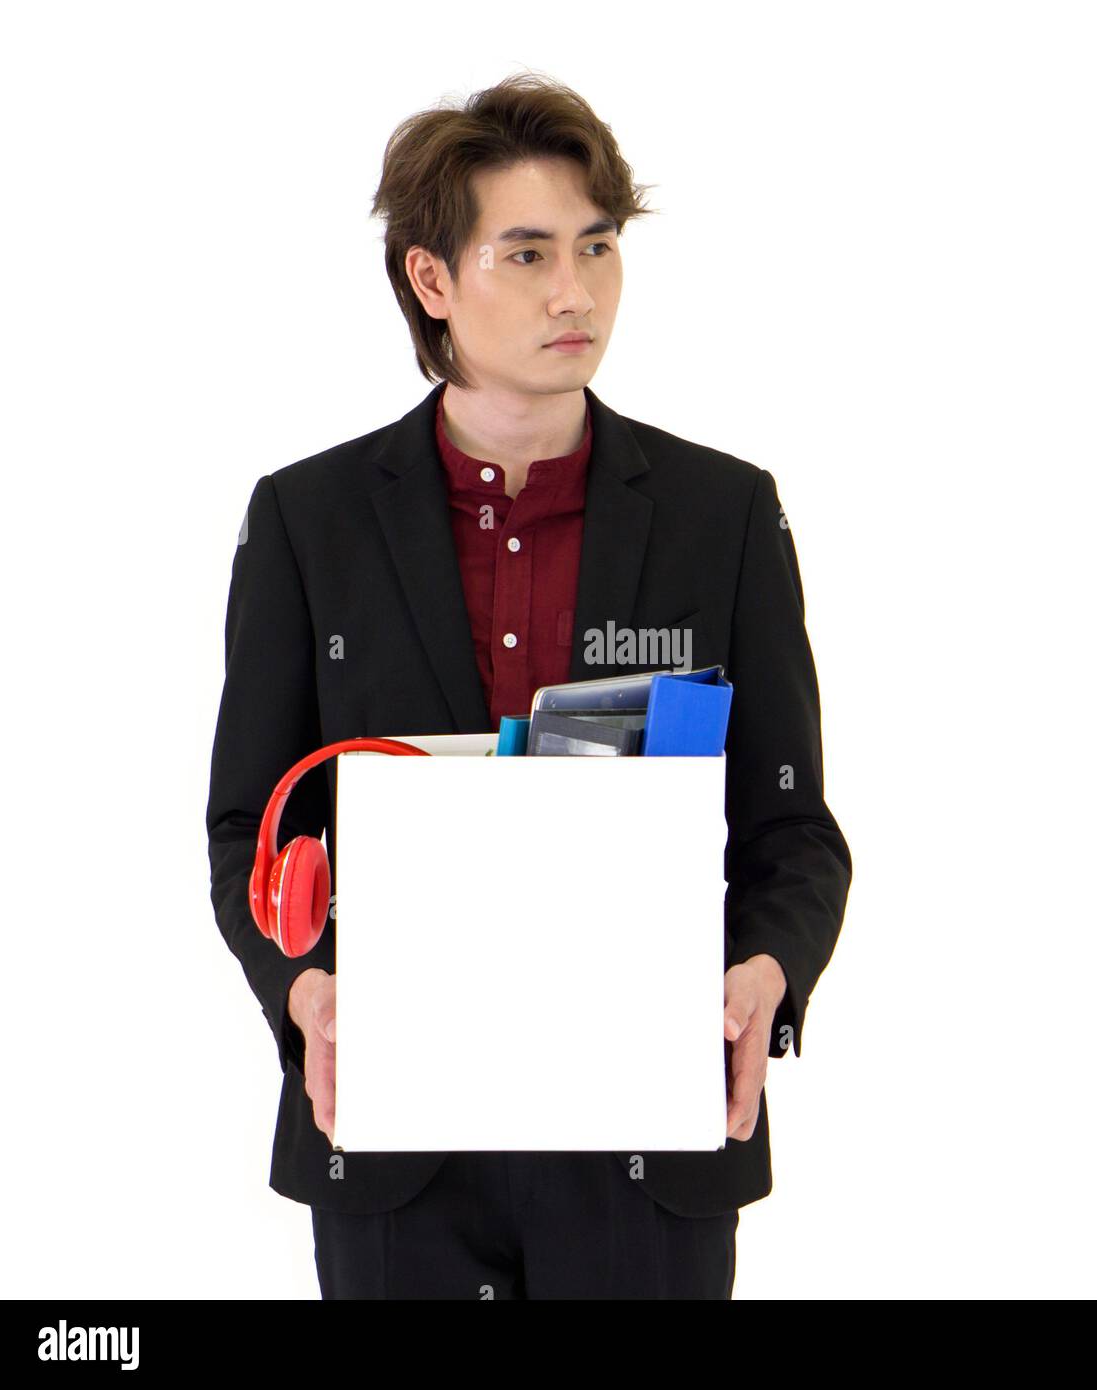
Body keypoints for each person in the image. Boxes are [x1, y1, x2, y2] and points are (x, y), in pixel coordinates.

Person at [206, 72, 851, 1300]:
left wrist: (764, 975)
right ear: (431, 280)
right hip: (395, 1138)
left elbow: (792, 830)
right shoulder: (310, 520)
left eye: (598, 247)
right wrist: (304, 992)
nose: (577, 291)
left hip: (646, 1136)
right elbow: (251, 828)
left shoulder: (724, 513)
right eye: (529, 253)